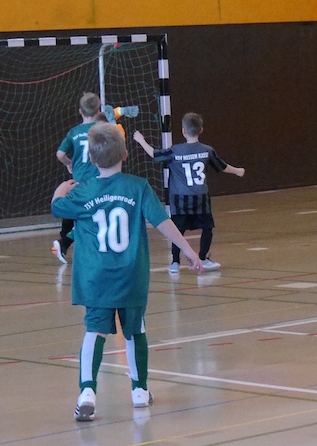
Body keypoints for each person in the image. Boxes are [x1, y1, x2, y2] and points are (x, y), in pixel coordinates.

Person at [51, 122, 203, 422]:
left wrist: (60, 191)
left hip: (96, 277)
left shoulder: (84, 191)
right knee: (135, 331)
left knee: (94, 331)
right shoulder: (138, 187)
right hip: (131, 275)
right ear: (125, 155)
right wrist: (188, 250)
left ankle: (87, 392)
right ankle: (139, 390)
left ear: (91, 159)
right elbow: (163, 222)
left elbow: (58, 209)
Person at [133, 112, 245, 273]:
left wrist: (141, 140)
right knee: (207, 227)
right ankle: (203, 258)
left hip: (180, 199)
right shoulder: (207, 150)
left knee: (177, 230)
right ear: (201, 130)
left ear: (183, 131)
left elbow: (153, 154)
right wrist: (237, 171)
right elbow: (222, 166)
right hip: (201, 197)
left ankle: (175, 262)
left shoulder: (175, 151)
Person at [52, 92, 102, 264]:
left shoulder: (74, 132)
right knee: (95, 213)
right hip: (97, 180)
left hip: (78, 180)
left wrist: (69, 164)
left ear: (80, 111)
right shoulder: (101, 130)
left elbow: (60, 154)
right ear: (99, 110)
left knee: (74, 209)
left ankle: (63, 242)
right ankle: (64, 242)